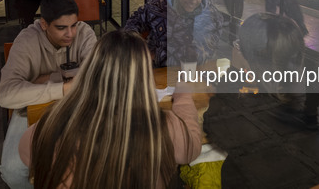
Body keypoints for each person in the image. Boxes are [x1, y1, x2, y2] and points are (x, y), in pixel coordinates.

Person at [18, 30, 201, 189]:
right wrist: (183, 95)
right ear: (143, 77)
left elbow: (26, 153)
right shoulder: (163, 126)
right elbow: (191, 147)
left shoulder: (52, 122)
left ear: (90, 70)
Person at [203, 13, 319, 188]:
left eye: (239, 45)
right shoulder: (316, 97)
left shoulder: (255, 111)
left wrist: (235, 70)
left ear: (250, 57)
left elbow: (212, 127)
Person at [0, 0, 97, 189]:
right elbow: (6, 94)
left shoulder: (84, 33)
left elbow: (94, 77)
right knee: (13, 171)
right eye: (61, 28)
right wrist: (63, 88)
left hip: (76, 107)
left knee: (93, 159)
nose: (70, 34)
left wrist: (48, 79)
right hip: (31, 109)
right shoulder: (26, 41)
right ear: (44, 24)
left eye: (73, 25)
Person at [124, 0, 224, 67]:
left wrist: (155, 55)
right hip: (158, 74)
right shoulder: (158, 6)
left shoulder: (211, 17)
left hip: (194, 76)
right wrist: (137, 47)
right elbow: (134, 21)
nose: (193, 1)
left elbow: (199, 57)